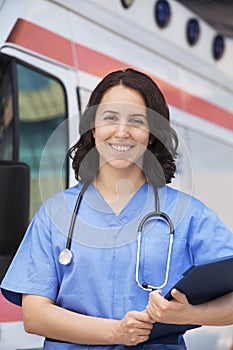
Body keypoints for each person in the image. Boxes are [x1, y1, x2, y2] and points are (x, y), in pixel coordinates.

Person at [1, 68, 233, 350]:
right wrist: (117, 332)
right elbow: (35, 315)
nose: (122, 132)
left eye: (136, 121)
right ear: (93, 127)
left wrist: (191, 314)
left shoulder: (189, 215)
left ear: (152, 134)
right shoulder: (55, 214)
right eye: (110, 118)